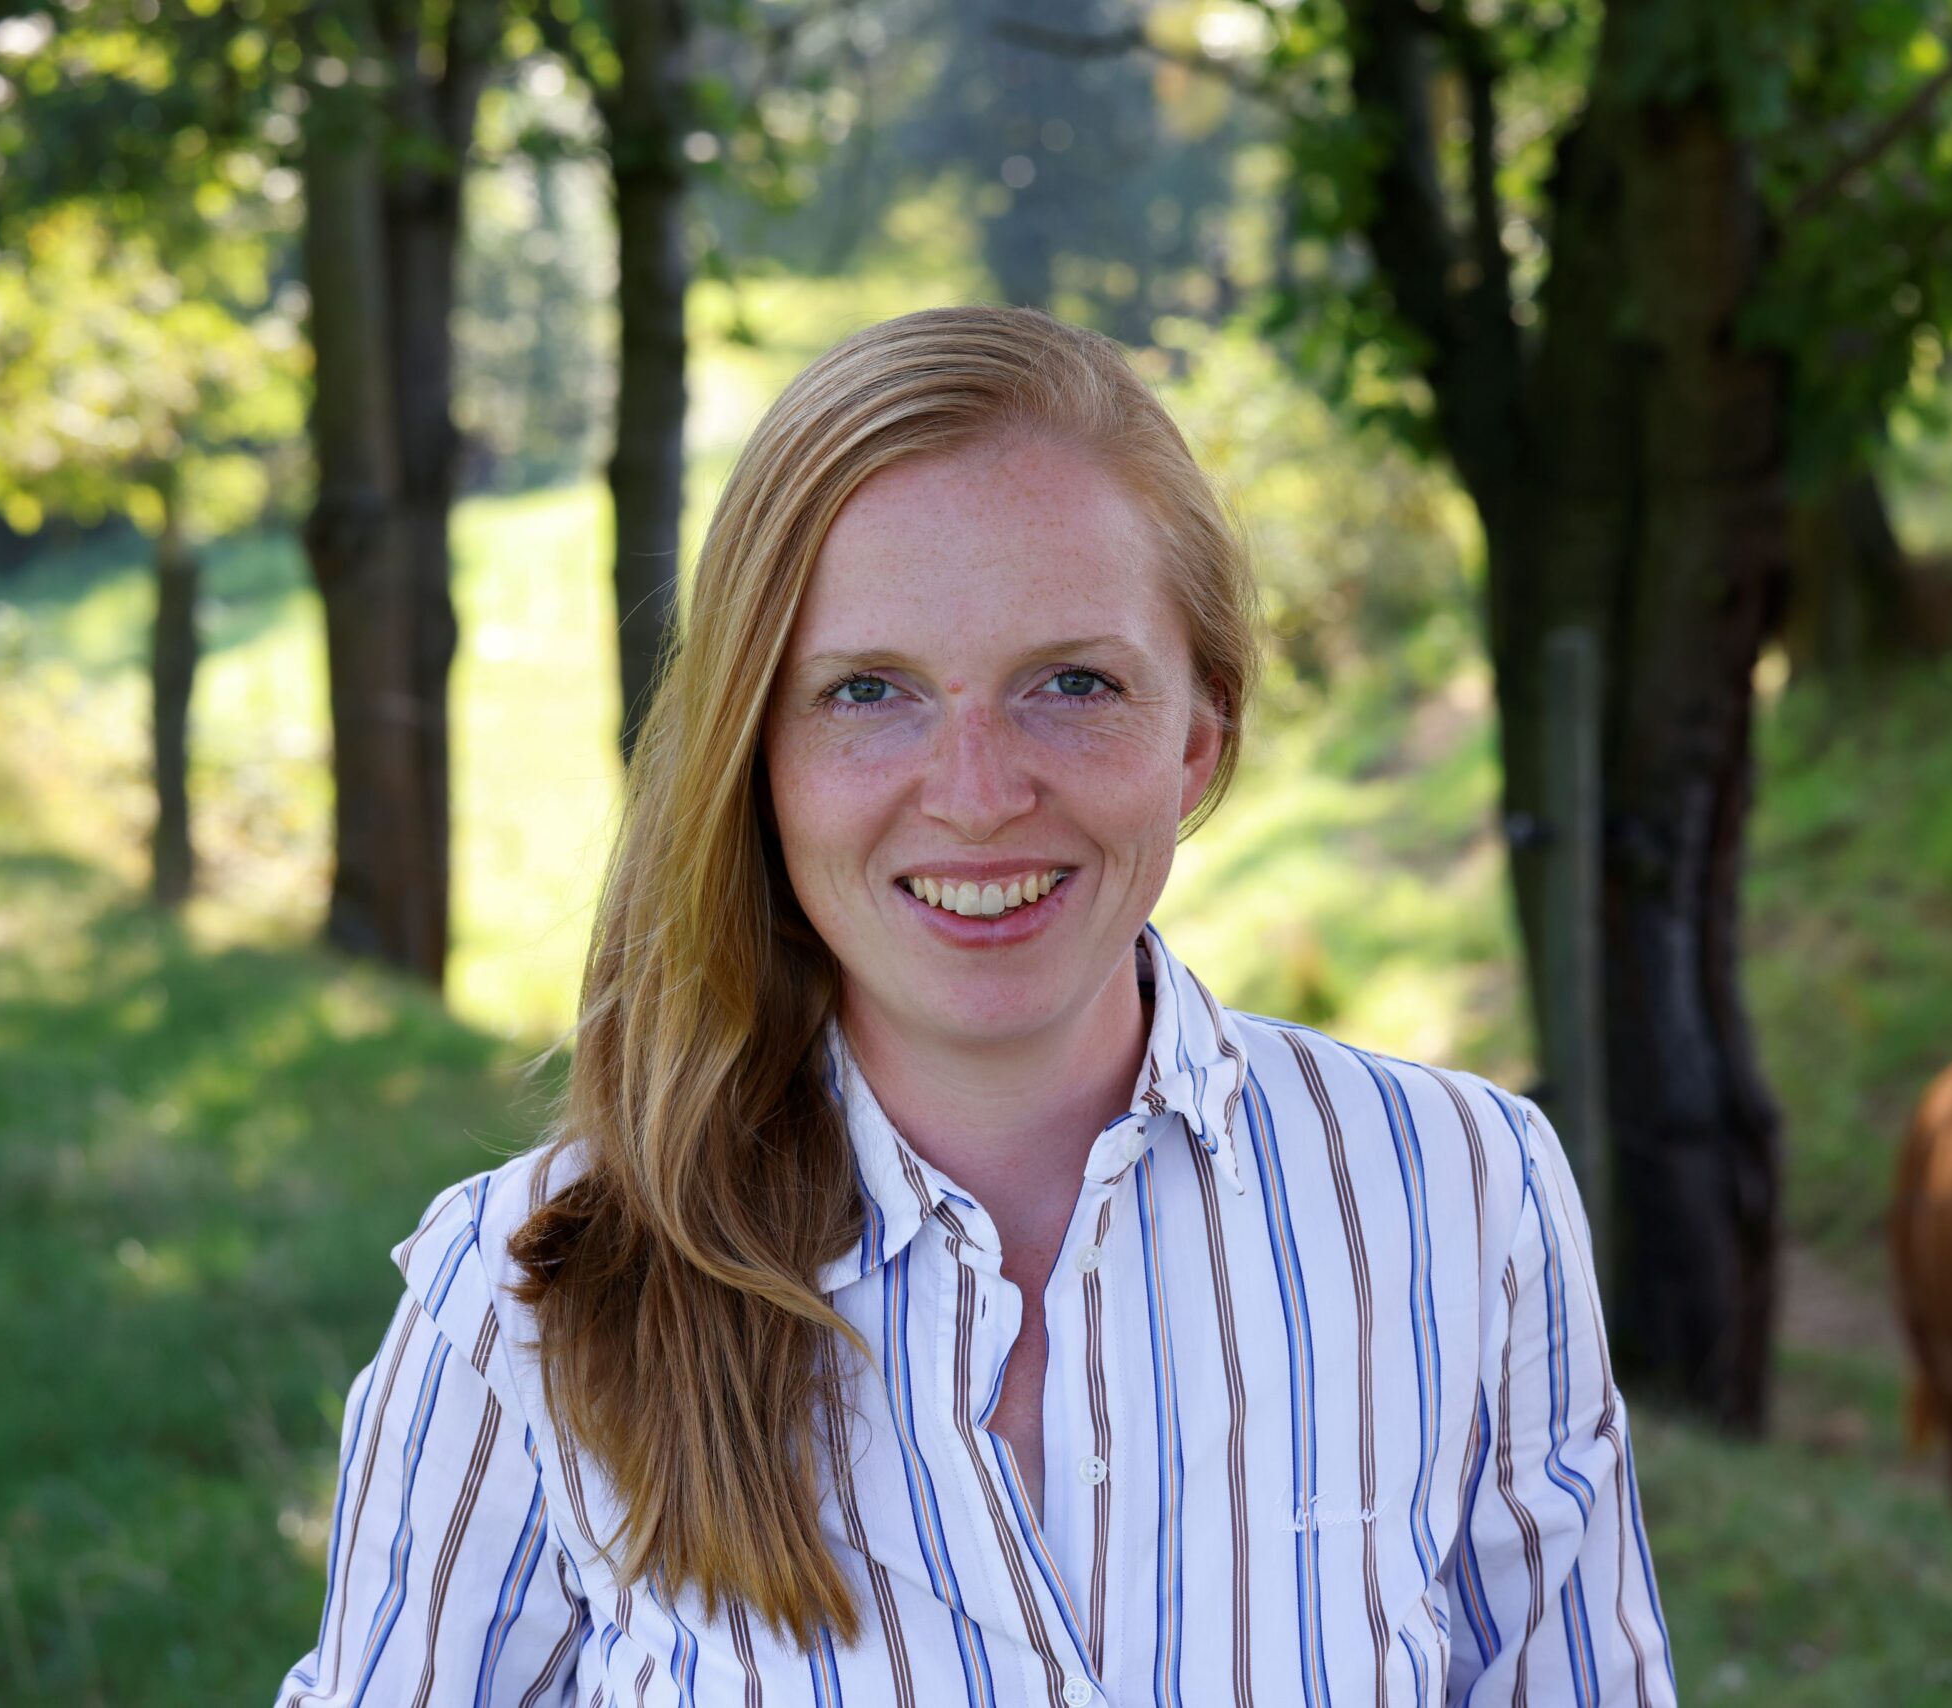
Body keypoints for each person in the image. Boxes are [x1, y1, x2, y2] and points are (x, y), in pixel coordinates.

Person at [275, 304, 1675, 1706]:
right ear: (756, 757)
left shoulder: (1458, 1192)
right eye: (868, 692)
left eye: (1074, 682)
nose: (978, 791)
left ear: (1198, 738)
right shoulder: (526, 1298)